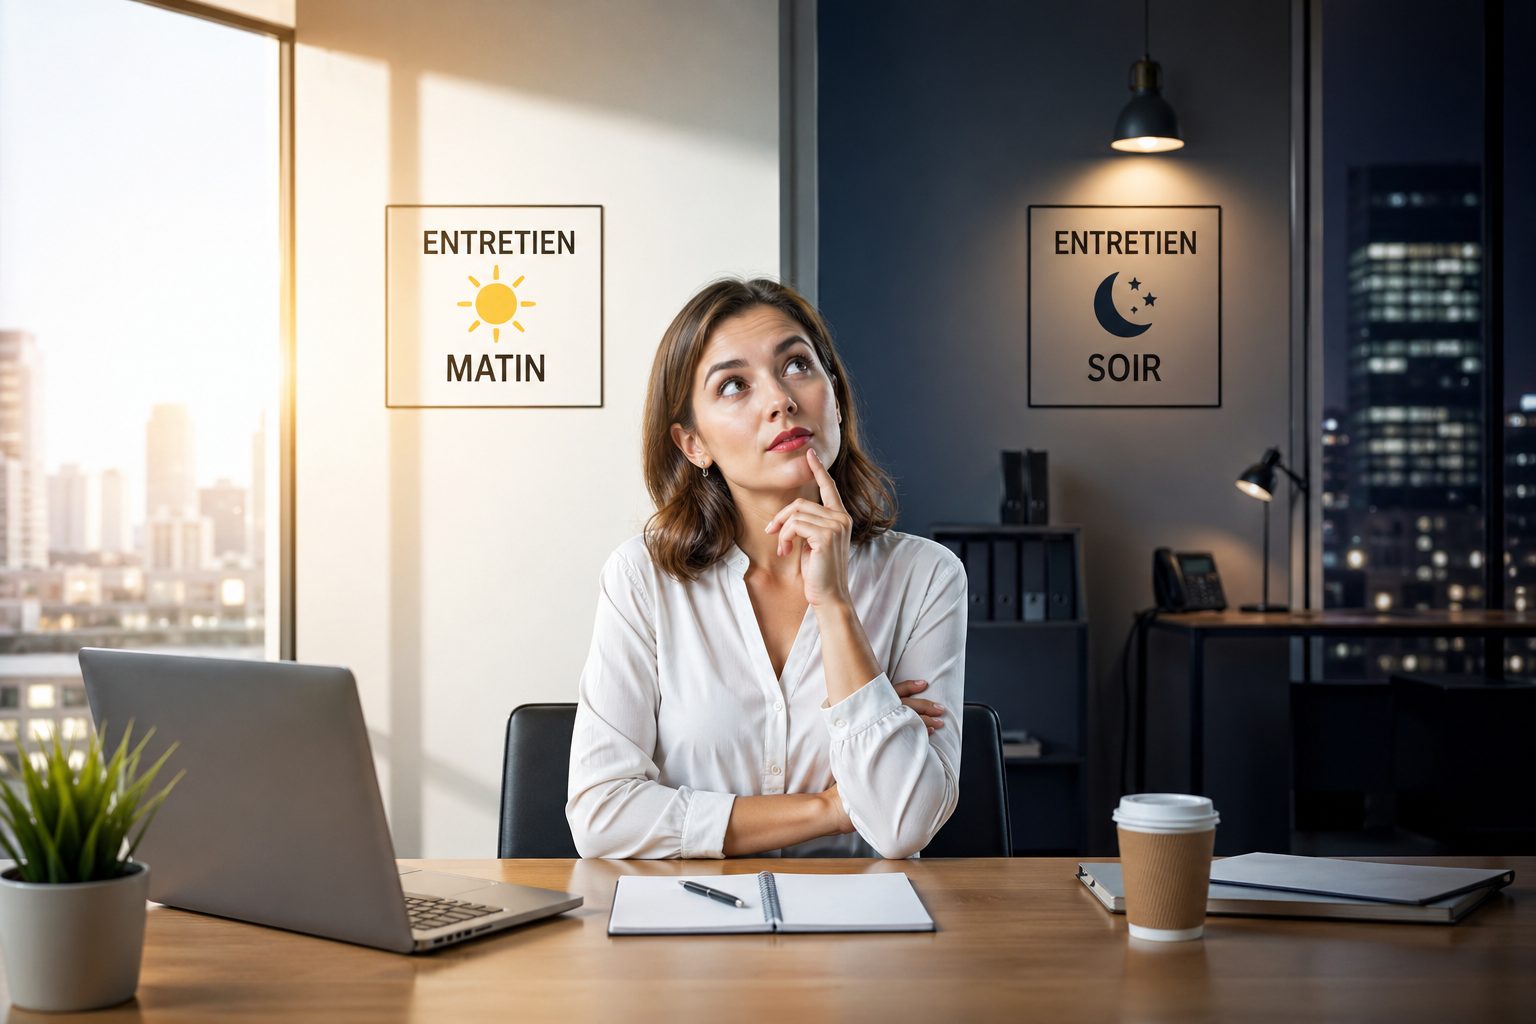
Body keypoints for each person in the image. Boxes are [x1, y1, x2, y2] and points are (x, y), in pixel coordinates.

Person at [565, 277, 967, 859]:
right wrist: (828, 808)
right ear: (692, 443)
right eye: (733, 385)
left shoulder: (926, 577)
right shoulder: (643, 577)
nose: (780, 399)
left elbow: (903, 825)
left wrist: (835, 607)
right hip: (684, 926)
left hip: (863, 933)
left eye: (798, 365)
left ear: (835, 394)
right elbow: (602, 816)